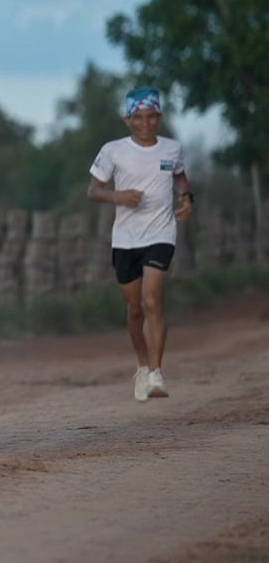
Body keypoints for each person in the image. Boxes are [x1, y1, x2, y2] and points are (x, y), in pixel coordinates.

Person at [87, 86, 194, 402]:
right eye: (138, 118)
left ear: (159, 117)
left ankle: (157, 372)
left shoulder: (172, 149)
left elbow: (181, 177)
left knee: (151, 301)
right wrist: (117, 196)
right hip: (125, 240)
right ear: (127, 119)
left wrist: (187, 197)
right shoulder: (113, 151)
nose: (146, 124)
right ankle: (142, 366)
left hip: (161, 234)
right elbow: (94, 190)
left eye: (151, 117)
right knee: (135, 309)